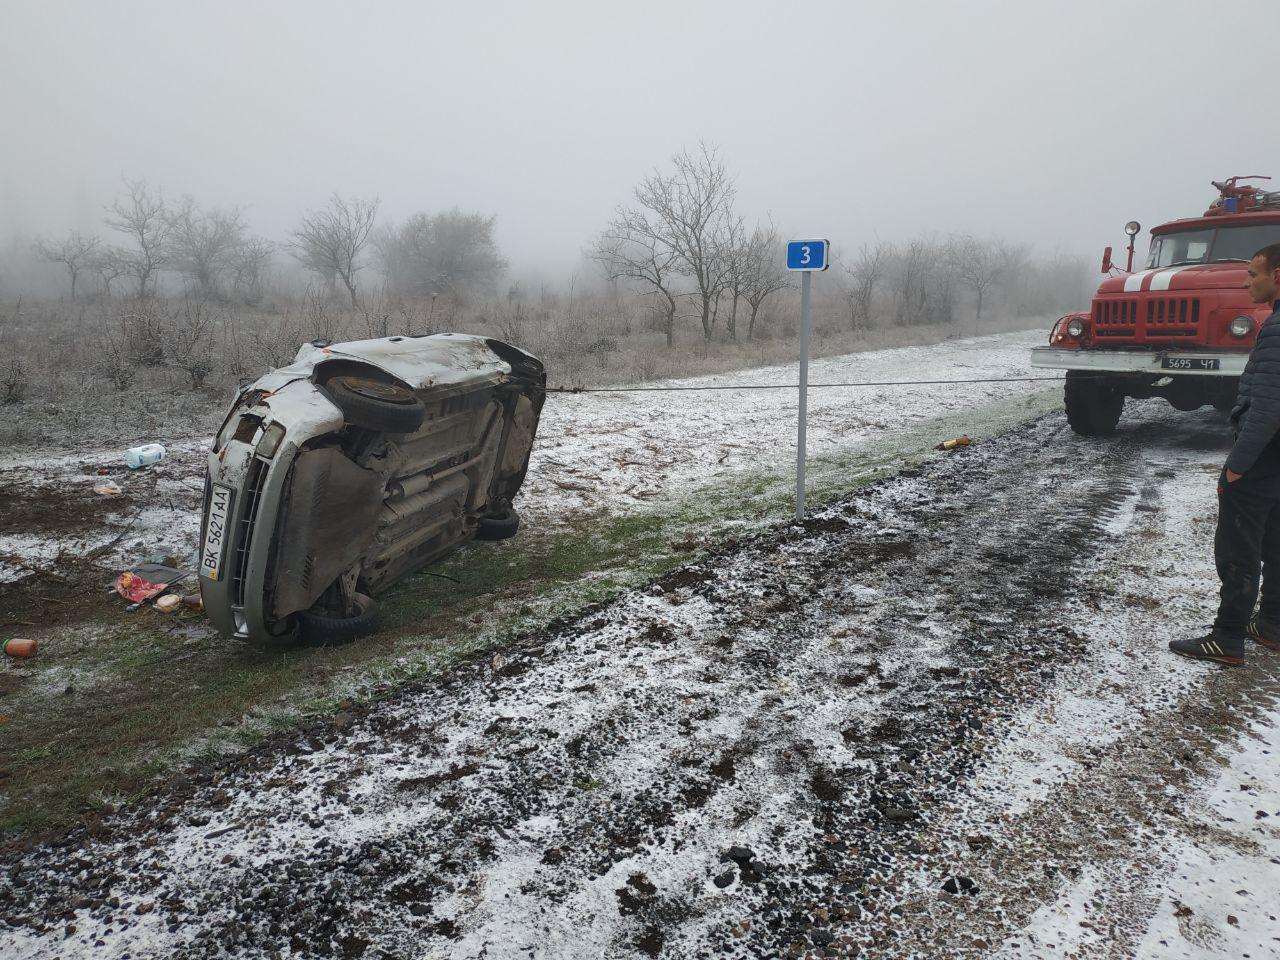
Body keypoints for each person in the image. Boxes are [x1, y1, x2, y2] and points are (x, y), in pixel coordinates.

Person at [1171, 243, 1280, 665]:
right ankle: (1270, 624)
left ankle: (1227, 637)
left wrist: (1236, 467)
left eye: (1254, 274)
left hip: (1263, 457)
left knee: (1238, 546)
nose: (1246, 281)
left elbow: (1269, 408)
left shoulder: (1275, 328)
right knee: (1274, 539)